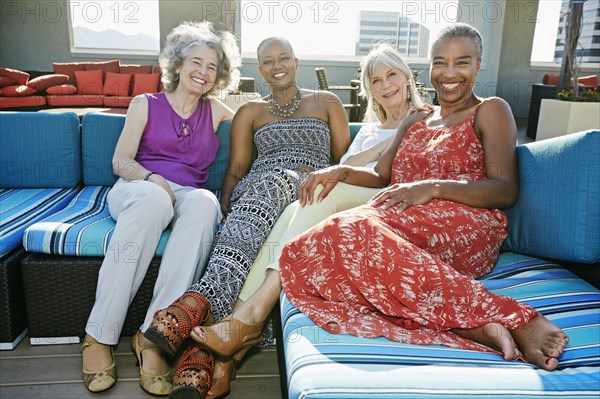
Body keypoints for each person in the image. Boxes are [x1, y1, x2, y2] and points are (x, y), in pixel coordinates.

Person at [278, 23, 569, 372]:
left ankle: (515, 317)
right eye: (439, 62)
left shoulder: (490, 109)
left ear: (478, 65)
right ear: (428, 67)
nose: (448, 73)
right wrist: (337, 171)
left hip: (465, 224)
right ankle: (472, 326)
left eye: (461, 62)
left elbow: (505, 188)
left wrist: (432, 187)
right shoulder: (417, 119)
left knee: (348, 231)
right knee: (303, 251)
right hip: (399, 224)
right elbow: (380, 177)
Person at [187, 44, 427, 383]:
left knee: (313, 194)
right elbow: (345, 165)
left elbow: (376, 174)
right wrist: (386, 140)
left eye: (392, 75)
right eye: (376, 80)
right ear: (368, 88)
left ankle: (244, 319)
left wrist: (399, 133)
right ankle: (234, 338)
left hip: (382, 201)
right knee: (292, 212)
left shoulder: (426, 118)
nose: (386, 85)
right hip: (349, 191)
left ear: (407, 76)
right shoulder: (371, 130)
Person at [144, 37, 351, 399]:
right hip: (259, 190)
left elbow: (345, 163)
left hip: (309, 192)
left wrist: (313, 175)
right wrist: (227, 203)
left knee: (278, 194)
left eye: (283, 57)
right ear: (260, 68)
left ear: (297, 60)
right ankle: (208, 349)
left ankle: (199, 310)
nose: (277, 65)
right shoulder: (250, 111)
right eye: (267, 61)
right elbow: (238, 168)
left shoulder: (328, 102)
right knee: (263, 193)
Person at [81, 21, 241, 396]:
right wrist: (152, 178)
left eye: (212, 67)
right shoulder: (145, 104)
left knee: (205, 205)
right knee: (154, 200)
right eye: (196, 62)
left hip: (188, 195)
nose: (203, 72)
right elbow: (120, 161)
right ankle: (98, 336)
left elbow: (262, 121)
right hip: (138, 187)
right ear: (178, 64)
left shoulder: (217, 110)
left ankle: (155, 337)